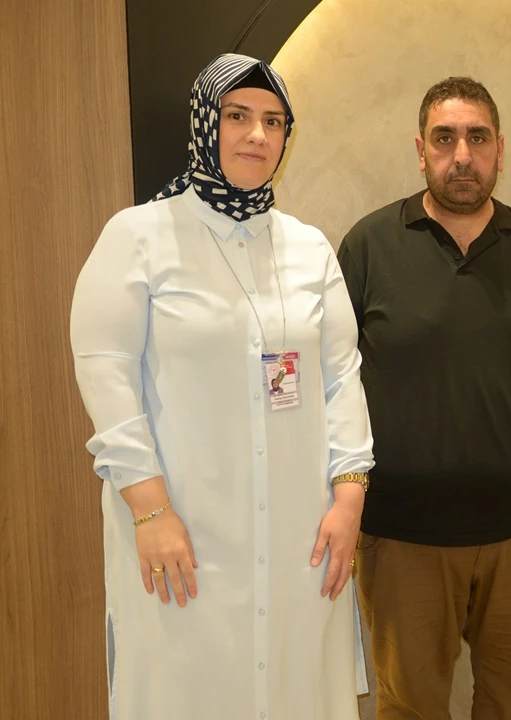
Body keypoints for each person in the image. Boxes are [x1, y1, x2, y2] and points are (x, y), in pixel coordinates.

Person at [70, 53, 373, 720]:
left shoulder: (308, 248)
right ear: (206, 124)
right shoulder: (139, 236)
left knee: (296, 688)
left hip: (302, 532)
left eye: (273, 121)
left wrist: (349, 498)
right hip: (183, 529)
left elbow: (341, 375)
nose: (257, 135)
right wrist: (150, 510)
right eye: (238, 116)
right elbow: (105, 371)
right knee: (188, 689)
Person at [339, 76, 511, 720]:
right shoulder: (368, 247)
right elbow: (333, 382)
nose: (462, 155)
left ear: (499, 150)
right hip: (403, 534)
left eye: (478, 138)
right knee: (409, 708)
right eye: (445, 138)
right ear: (420, 150)